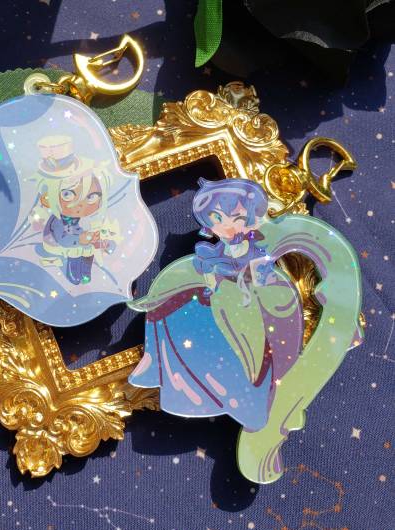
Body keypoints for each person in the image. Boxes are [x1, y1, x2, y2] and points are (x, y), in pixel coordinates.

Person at [128, 179, 303, 431]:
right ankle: (155, 362)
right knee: (171, 306)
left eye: (237, 218)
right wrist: (212, 278)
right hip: (215, 299)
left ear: (253, 219)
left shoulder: (256, 250)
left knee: (240, 339)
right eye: (218, 218)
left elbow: (259, 278)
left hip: (243, 305)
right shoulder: (216, 250)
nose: (227, 226)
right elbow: (209, 270)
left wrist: (240, 277)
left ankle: (249, 398)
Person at [32, 135, 117, 285]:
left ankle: (85, 272)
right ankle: (74, 272)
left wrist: (97, 240)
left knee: (88, 248)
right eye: (67, 195)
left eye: (91, 197)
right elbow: (64, 239)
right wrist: (81, 239)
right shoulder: (58, 221)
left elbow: (82, 231)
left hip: (76, 234)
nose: (81, 205)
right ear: (47, 198)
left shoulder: (81, 218)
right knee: (77, 250)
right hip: (58, 241)